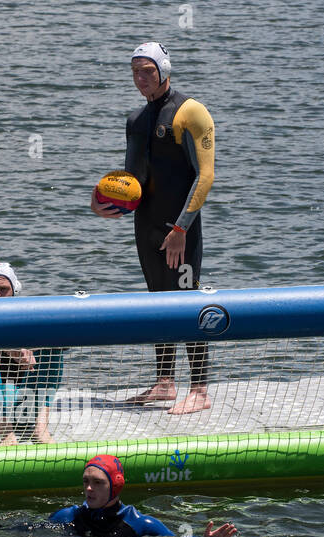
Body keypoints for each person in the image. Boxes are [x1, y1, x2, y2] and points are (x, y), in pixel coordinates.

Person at [91, 42, 216, 415]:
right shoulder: (136, 120)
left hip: (180, 229)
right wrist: (101, 201)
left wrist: (180, 229)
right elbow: (132, 180)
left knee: (188, 301)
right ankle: (164, 381)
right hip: (145, 225)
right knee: (157, 302)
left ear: (164, 70)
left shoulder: (190, 112)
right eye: (135, 72)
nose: (140, 78)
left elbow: (205, 177)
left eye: (147, 70)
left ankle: (200, 388)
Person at [0, 454, 237, 537]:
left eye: (97, 483)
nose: (89, 489)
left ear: (116, 486)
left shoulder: (141, 524)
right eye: (86, 482)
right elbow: (8, 536)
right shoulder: (67, 517)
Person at [0, 262, 62, 444]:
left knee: (53, 348)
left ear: (14, 292)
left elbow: (62, 341)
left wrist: (33, 347)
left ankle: (40, 428)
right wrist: (13, 351)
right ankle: (6, 433)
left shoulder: (25, 318)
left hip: (23, 406)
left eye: (2, 289)